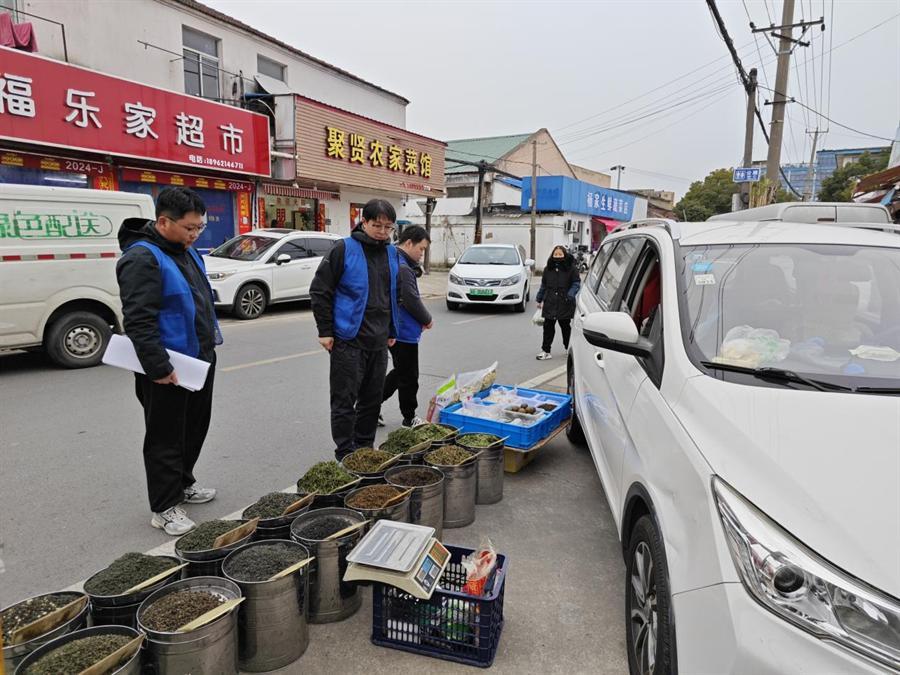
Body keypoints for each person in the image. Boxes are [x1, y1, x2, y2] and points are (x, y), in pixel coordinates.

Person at [116, 187, 221, 535]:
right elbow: (139, 319)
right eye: (189, 228)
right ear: (163, 221)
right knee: (165, 436)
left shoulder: (187, 252)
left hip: (199, 360)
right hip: (167, 367)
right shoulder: (141, 258)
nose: (195, 234)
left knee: (193, 428)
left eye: (199, 227)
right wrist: (158, 367)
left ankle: (183, 483)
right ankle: (163, 507)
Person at [310, 199, 400, 459]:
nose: (383, 231)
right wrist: (325, 330)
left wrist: (392, 330)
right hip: (348, 339)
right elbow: (320, 290)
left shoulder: (391, 253)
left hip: (379, 339)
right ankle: (345, 452)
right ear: (363, 222)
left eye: (388, 227)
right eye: (377, 225)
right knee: (344, 400)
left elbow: (394, 293)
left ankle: (363, 449)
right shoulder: (343, 249)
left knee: (372, 400)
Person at [382, 226, 433, 427]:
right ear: (409, 243)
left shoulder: (395, 259)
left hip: (397, 328)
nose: (422, 254)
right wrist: (427, 319)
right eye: (421, 249)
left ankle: (370, 405)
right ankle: (409, 417)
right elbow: (410, 299)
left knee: (401, 371)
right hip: (402, 331)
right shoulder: (402, 266)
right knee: (409, 376)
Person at [535, 245, 581, 360]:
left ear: (564, 255)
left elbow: (576, 283)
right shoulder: (547, 269)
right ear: (552, 255)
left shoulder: (571, 269)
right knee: (548, 327)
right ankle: (546, 351)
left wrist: (570, 295)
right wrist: (539, 299)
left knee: (565, 327)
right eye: (556, 254)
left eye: (560, 254)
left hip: (565, 302)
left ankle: (569, 348)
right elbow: (544, 285)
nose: (558, 256)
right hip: (550, 302)